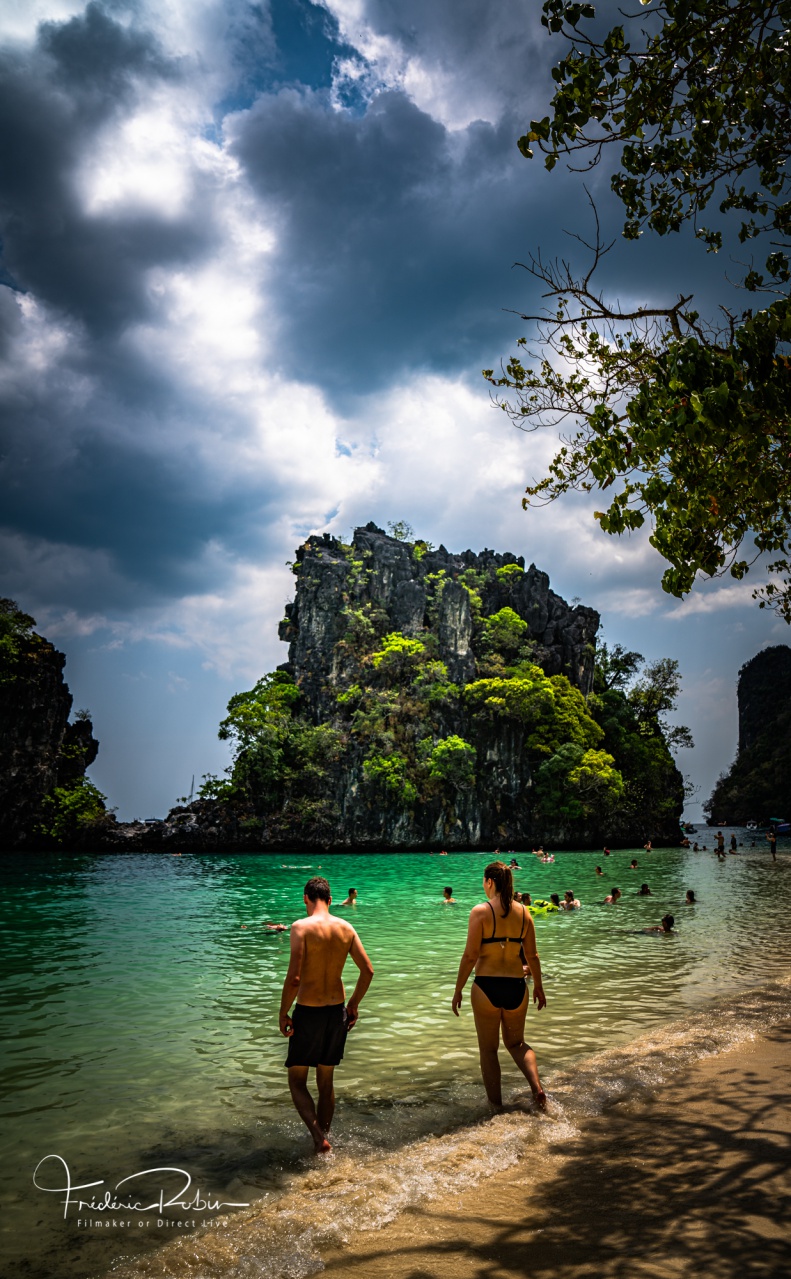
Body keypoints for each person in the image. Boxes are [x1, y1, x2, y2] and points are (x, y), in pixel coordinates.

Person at [279, 877, 374, 1153]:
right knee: (326, 1081)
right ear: (330, 900)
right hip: (336, 1012)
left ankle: (318, 1137)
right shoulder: (346, 927)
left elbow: (295, 978)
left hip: (308, 1012)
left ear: (305, 898)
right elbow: (368, 971)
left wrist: (283, 1012)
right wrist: (353, 1005)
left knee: (297, 1081)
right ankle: (325, 1135)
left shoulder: (300, 927)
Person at [452, 861, 547, 1111]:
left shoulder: (480, 912)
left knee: (489, 1049)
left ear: (490, 882)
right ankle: (537, 1088)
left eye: (484, 881)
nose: (483, 886)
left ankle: (496, 1107)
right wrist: (538, 986)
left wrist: (457, 989)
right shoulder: (525, 913)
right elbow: (533, 956)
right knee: (516, 1044)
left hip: (486, 987)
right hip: (517, 987)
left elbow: (470, 955)